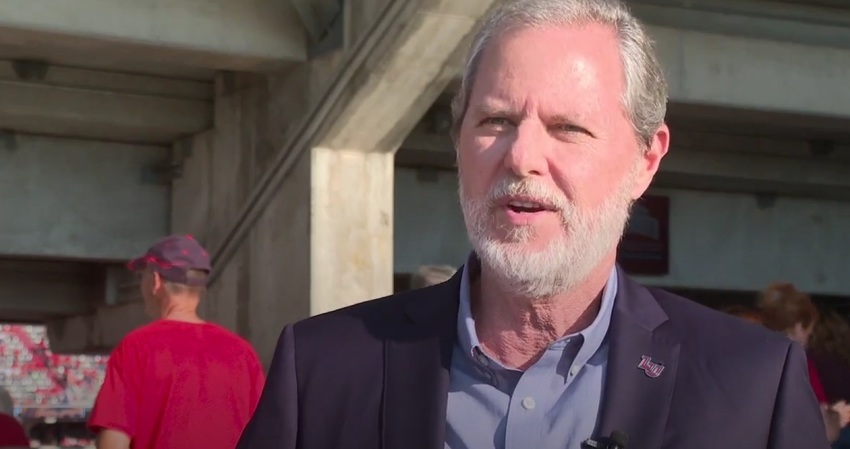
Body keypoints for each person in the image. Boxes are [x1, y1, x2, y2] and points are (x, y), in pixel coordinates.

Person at [236, 1, 827, 448]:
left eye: (568, 128)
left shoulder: (752, 385)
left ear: (646, 160)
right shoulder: (322, 367)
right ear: (457, 141)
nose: (521, 157)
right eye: (496, 119)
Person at [89, 235, 266, 449]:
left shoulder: (137, 347)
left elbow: (113, 440)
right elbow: (267, 434)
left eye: (142, 277)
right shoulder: (242, 353)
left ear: (155, 281)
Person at [758, 282, 850, 443]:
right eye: (810, 330)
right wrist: (837, 416)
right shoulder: (798, 364)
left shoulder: (753, 359)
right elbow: (818, 430)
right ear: (799, 326)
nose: (810, 336)